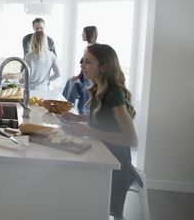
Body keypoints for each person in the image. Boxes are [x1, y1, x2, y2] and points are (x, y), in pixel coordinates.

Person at [60, 44, 139, 220]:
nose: (82, 65)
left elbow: (131, 139)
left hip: (116, 166)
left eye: (88, 62)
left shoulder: (114, 94)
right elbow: (103, 121)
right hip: (102, 154)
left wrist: (89, 131)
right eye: (83, 61)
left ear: (103, 67)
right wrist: (78, 119)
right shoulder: (99, 89)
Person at [62, 26, 98, 113]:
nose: (81, 35)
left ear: (88, 34)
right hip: (88, 81)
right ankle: (65, 107)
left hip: (88, 81)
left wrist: (78, 76)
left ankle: (65, 107)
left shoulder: (90, 49)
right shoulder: (93, 47)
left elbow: (86, 66)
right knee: (71, 83)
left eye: (83, 33)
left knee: (83, 106)